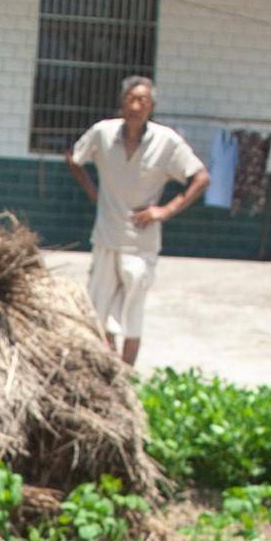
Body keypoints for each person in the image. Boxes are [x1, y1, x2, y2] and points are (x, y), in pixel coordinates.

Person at [64, 76, 206, 370]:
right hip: (106, 237)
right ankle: (110, 372)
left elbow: (200, 177)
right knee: (99, 312)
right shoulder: (103, 133)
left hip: (140, 243)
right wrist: (95, 194)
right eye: (131, 98)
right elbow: (74, 159)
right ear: (122, 102)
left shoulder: (166, 141)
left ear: (151, 106)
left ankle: (126, 375)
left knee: (132, 315)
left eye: (143, 100)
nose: (136, 105)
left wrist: (166, 210)